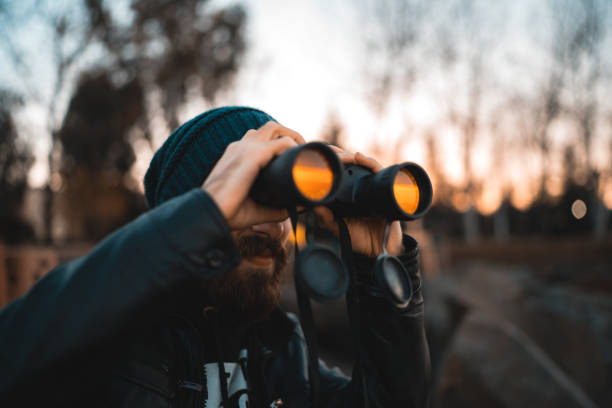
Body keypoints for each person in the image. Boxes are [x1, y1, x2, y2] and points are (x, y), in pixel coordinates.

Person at [0, 106, 430, 407]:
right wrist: (204, 216)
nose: (270, 224)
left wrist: (378, 275)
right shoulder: (113, 340)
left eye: (279, 202)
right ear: (190, 210)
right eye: (251, 198)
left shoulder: (281, 346)